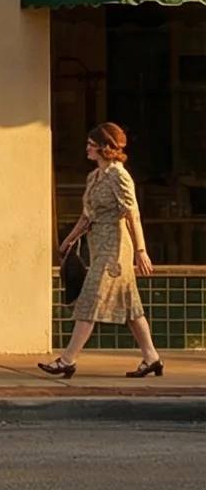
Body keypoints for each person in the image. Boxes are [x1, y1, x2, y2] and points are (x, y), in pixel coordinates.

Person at [40, 121, 164, 379]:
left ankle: (67, 359)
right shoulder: (94, 176)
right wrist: (69, 239)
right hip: (98, 246)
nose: (87, 148)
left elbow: (133, 214)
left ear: (105, 148)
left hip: (116, 249)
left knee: (90, 299)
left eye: (91, 144)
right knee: (131, 306)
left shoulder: (120, 176)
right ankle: (152, 357)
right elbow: (88, 215)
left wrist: (141, 250)